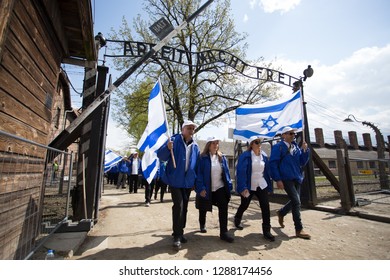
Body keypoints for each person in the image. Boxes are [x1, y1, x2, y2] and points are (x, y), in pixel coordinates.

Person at [157, 120, 200, 249]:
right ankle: (176, 236)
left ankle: (180, 231)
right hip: (175, 180)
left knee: (185, 207)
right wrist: (167, 148)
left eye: (193, 128)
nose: (191, 130)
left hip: (187, 182)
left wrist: (194, 181)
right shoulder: (174, 141)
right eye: (189, 128)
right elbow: (161, 156)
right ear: (183, 129)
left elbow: (196, 165)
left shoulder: (195, 146)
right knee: (179, 206)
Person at [269, 126, 311, 239]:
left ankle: (282, 212)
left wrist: (305, 151)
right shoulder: (279, 147)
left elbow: (302, 162)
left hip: (297, 177)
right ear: (283, 135)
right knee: (297, 202)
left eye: (294, 134)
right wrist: (277, 179)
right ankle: (299, 229)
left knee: (295, 200)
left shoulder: (296, 147)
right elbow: (273, 163)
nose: (293, 135)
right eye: (290, 133)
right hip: (286, 178)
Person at [234, 135, 275, 242]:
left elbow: (267, 172)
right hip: (249, 186)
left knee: (265, 206)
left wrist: (270, 185)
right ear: (251, 144)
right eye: (256, 142)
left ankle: (266, 230)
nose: (259, 144)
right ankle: (237, 219)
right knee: (245, 205)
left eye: (260, 142)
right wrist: (243, 187)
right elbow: (241, 172)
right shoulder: (245, 156)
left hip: (261, 185)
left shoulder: (264, 156)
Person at [195, 136, 234, 243]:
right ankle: (202, 223)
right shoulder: (202, 158)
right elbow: (200, 174)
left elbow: (226, 174)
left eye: (217, 143)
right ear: (208, 145)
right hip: (206, 188)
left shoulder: (222, 158)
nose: (216, 145)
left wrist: (229, 185)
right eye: (213, 143)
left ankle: (224, 232)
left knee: (223, 207)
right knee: (203, 208)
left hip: (219, 188)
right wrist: (201, 188)